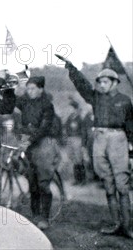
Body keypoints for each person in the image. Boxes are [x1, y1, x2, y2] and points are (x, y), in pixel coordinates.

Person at [57, 54, 133, 238]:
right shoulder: (96, 97)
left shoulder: (125, 100)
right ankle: (116, 223)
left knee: (122, 185)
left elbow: (130, 125)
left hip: (118, 139)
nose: (102, 85)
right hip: (99, 139)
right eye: (100, 82)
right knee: (107, 183)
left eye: (106, 81)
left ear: (115, 82)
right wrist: (71, 68)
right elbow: (82, 85)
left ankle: (128, 226)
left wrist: (131, 148)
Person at [0, 75, 60, 230]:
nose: (30, 91)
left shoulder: (47, 105)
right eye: (28, 88)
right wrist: (8, 88)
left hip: (44, 144)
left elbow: (43, 128)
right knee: (32, 183)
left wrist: (27, 141)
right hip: (28, 143)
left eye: (33, 88)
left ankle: (44, 218)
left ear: (41, 89)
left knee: (43, 183)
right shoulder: (25, 101)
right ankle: (35, 216)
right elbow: (11, 103)